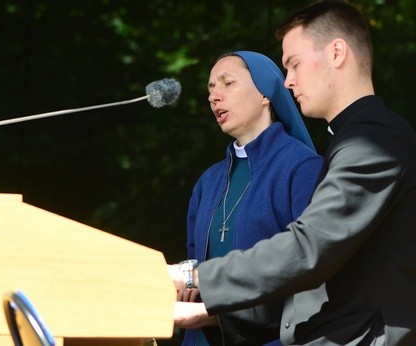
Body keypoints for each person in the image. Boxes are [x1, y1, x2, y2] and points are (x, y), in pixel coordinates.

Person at [168, 0, 416, 345]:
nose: (287, 82)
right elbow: (321, 281)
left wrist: (190, 277)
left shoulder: (374, 139)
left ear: (337, 53)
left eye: (294, 64)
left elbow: (308, 249)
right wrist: (212, 314)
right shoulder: (354, 139)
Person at [178, 51, 323, 346]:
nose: (214, 96)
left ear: (265, 94)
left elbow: (309, 273)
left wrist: (216, 314)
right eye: (210, 88)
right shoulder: (208, 182)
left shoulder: (302, 168)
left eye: (227, 83)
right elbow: (194, 264)